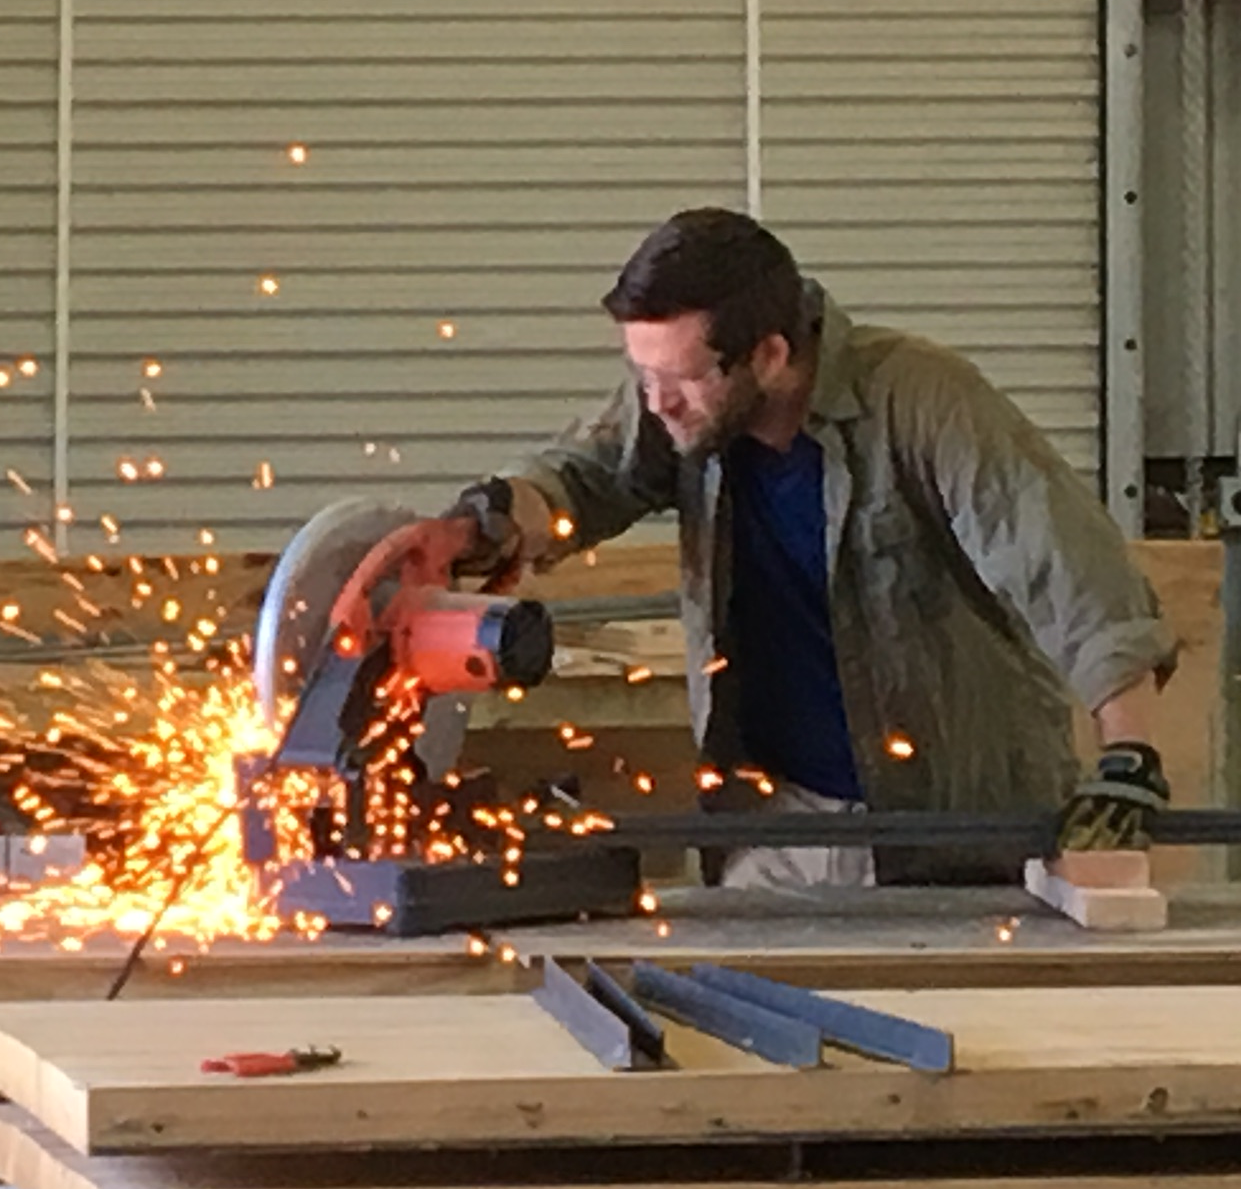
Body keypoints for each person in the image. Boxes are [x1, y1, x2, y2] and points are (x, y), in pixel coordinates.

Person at [449, 207, 1178, 887]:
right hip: (772, 831)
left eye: (677, 379)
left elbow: (1067, 567)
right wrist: (499, 516)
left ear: (768, 354)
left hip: (949, 834)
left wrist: (1127, 756)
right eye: (643, 376)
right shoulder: (685, 411)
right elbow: (584, 474)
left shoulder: (920, 399)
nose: (656, 402)